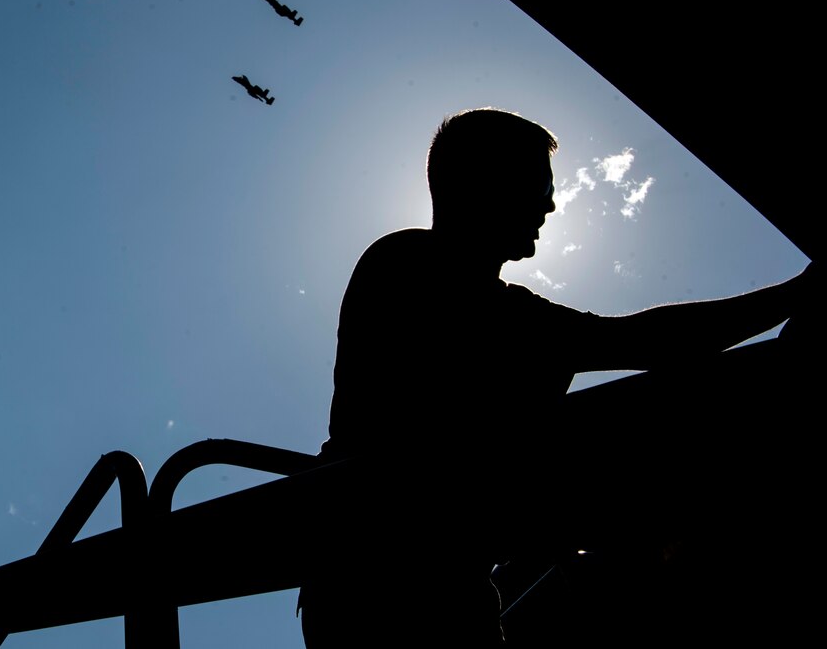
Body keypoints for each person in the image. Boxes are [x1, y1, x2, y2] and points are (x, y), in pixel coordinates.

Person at [298, 107, 814, 647]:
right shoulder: (412, 270)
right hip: (391, 585)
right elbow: (645, 341)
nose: (549, 202)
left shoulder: (466, 293)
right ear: (490, 183)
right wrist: (793, 296)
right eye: (539, 184)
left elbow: (634, 342)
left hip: (426, 578)